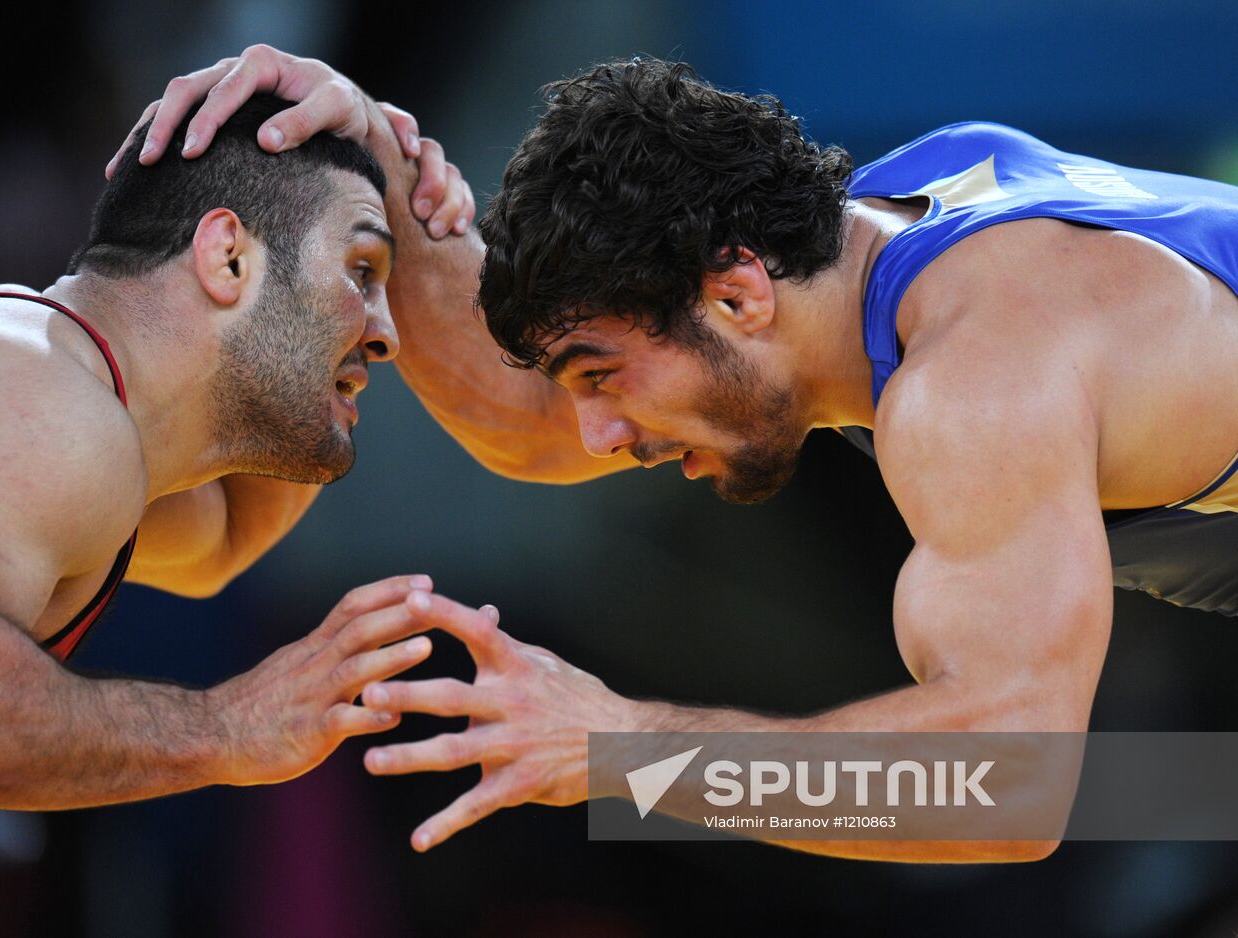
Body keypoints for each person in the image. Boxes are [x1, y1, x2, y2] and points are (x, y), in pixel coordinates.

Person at [136, 47, 1237, 861]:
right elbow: (528, 420)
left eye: (601, 375)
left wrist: (626, 749)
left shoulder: (973, 388)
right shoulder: (877, 227)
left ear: (736, 290)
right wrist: (370, 154)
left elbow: (1010, 782)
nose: (598, 434)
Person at [0, 93, 481, 835]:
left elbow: (221, 541)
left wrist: (372, 142)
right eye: (362, 271)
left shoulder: (45, 375)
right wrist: (228, 727)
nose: (389, 336)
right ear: (228, 256)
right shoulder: (47, 396)